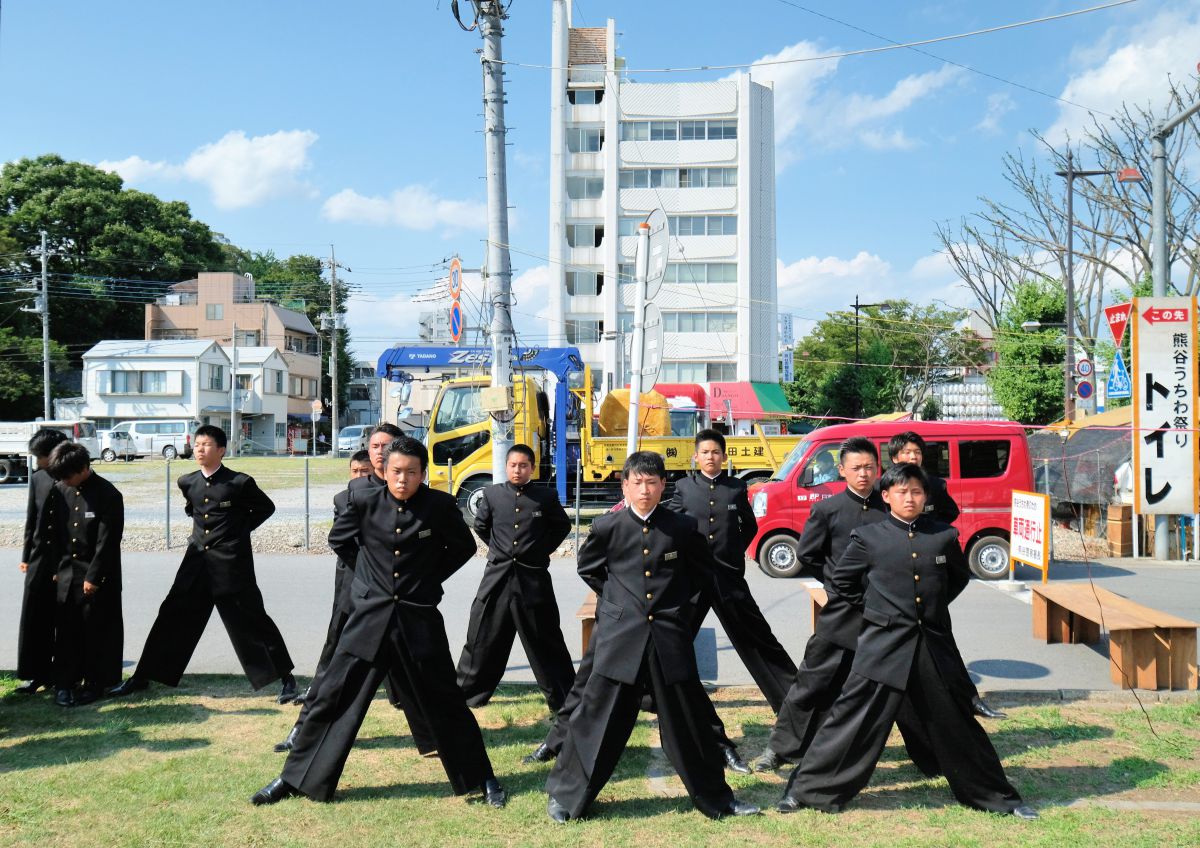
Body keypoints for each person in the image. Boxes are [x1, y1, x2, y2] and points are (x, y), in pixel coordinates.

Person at [252, 437, 506, 808]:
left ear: (423, 474)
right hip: (368, 619)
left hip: (418, 620)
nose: (403, 480)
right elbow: (341, 541)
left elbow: (464, 548)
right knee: (332, 699)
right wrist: (371, 580)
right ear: (384, 471)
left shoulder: (438, 506)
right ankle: (294, 778)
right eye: (396, 471)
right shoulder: (362, 499)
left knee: (447, 702)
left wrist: (427, 579)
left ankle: (482, 779)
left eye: (412, 473)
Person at [778, 463, 1036, 820]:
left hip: (931, 645)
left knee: (957, 722)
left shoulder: (943, 536)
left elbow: (956, 579)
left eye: (916, 491)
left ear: (925, 496)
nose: (910, 498)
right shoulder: (869, 537)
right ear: (886, 497)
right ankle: (806, 791)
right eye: (902, 492)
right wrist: (876, 611)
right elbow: (843, 583)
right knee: (849, 720)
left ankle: (996, 795)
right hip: (882, 645)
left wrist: (932, 607)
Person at [544, 452, 759, 823]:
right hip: (620, 638)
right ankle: (566, 796)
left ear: (663, 486)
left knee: (688, 722)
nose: (644, 490)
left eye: (652, 482)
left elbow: (700, 574)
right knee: (596, 719)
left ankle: (718, 800)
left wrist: (676, 610)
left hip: (668, 637)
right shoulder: (607, 528)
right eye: (637, 482)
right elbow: (590, 568)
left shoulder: (682, 527)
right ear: (625, 485)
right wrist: (619, 606)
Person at [753, 438, 937, 776]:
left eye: (869, 467)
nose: (864, 474)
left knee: (905, 686)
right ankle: (781, 749)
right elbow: (808, 554)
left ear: (878, 469)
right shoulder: (828, 509)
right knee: (812, 682)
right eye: (856, 468)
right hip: (843, 613)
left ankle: (930, 755)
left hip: (889, 616)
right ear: (842, 471)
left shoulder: (891, 508)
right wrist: (835, 585)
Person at [108, 425, 297, 702]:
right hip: (196, 562)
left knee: (251, 619)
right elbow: (193, 510)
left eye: (206, 445)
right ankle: (143, 676)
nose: (199, 449)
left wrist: (235, 534)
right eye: (197, 444)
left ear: (221, 450)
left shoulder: (239, 482)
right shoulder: (187, 481)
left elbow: (265, 508)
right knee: (171, 615)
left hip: (231, 564)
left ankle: (286, 679)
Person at [667, 429, 796, 714]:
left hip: (728, 576)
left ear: (724, 456)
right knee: (674, 636)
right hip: (693, 579)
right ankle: (654, 695)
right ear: (695, 456)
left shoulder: (736, 488)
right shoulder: (685, 488)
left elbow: (748, 526)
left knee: (756, 636)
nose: (710, 457)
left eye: (716, 452)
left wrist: (734, 552)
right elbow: (673, 525)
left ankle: (789, 696)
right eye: (705, 452)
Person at [885, 431, 1006, 720]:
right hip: (897, 573)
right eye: (906, 453)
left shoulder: (934, 485)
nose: (912, 457)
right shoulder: (886, 486)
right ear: (894, 458)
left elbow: (950, 513)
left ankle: (970, 700)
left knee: (945, 645)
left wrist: (929, 529)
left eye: (917, 452)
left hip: (930, 569)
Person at [456, 444, 575, 711]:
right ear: (506, 466)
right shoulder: (493, 494)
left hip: (533, 579)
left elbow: (562, 526)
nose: (518, 470)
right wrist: (499, 549)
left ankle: (564, 699)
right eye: (513, 465)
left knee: (546, 640)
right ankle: (467, 695)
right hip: (497, 578)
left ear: (532, 468)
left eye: (523, 465)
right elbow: (481, 526)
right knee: (482, 636)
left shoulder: (545, 497)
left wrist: (539, 550)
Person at [272, 450, 374, 752]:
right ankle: (302, 730)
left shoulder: (390, 495)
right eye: (354, 471)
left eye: (364, 470)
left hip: (386, 594)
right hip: (350, 585)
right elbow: (340, 540)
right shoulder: (343, 499)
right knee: (332, 657)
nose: (359, 476)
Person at [46, 442, 124, 707]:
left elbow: (108, 542)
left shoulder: (108, 494)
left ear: (83, 468)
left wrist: (94, 577)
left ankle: (95, 683)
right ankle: (65, 684)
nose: (65, 481)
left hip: (97, 576)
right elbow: (53, 535)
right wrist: (56, 569)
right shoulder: (59, 491)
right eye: (61, 477)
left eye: (68, 475)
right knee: (66, 632)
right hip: (67, 574)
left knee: (96, 633)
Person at [15, 428, 69, 695]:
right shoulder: (37, 478)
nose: (38, 462)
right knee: (35, 616)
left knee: (63, 618)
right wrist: (26, 556)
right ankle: (35, 674)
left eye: (41, 456)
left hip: (65, 559)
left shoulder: (72, 475)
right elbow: (31, 519)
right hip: (38, 558)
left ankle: (62, 676)